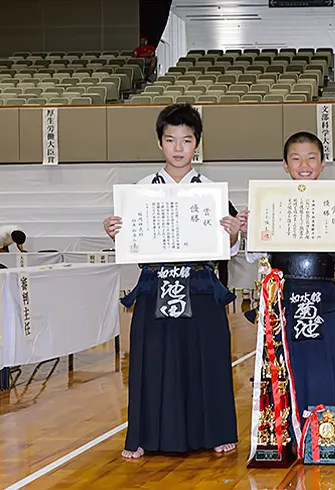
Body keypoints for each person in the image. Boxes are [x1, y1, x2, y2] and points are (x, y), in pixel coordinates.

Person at [103, 104, 242, 460]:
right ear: (159, 143)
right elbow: (130, 242)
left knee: (207, 359)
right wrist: (114, 232)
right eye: (170, 140)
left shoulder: (212, 191)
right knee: (152, 361)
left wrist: (233, 233)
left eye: (186, 140)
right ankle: (145, 435)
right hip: (155, 284)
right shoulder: (140, 190)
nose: (178, 148)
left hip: (199, 285)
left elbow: (226, 247)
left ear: (198, 144)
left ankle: (215, 431)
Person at [239, 131, 335, 449]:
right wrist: (247, 230)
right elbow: (254, 255)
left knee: (329, 363)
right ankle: (289, 428)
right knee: (290, 364)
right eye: (296, 158)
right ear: (285, 165)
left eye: (311, 158)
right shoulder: (269, 203)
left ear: (323, 164)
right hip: (284, 298)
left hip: (324, 294)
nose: (304, 165)